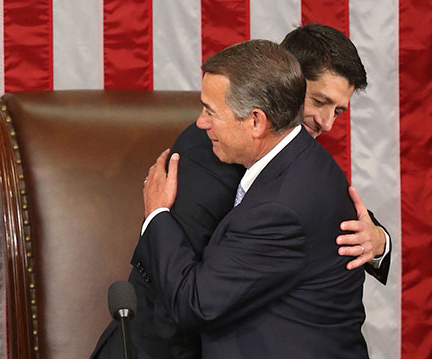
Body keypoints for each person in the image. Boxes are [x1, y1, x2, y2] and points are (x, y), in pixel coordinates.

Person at [92, 24, 389, 358]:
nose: (327, 123)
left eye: (337, 110)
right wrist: (157, 213)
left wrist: (380, 240)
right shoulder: (208, 149)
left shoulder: (297, 159)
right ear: (283, 80)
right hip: (159, 342)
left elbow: (323, 212)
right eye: (319, 101)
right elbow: (184, 294)